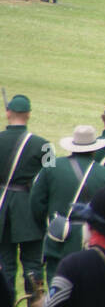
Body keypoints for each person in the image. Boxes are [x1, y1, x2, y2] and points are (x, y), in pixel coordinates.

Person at [30, 125, 105, 286]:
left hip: (57, 236)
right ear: (94, 149)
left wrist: (47, 225)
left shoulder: (51, 167)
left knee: (56, 285)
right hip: (90, 240)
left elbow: (36, 202)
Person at [1, 94, 49, 295]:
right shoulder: (44, 145)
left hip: (2, 207)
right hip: (30, 208)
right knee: (32, 264)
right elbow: (51, 177)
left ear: (8, 113)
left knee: (5, 264)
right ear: (28, 115)